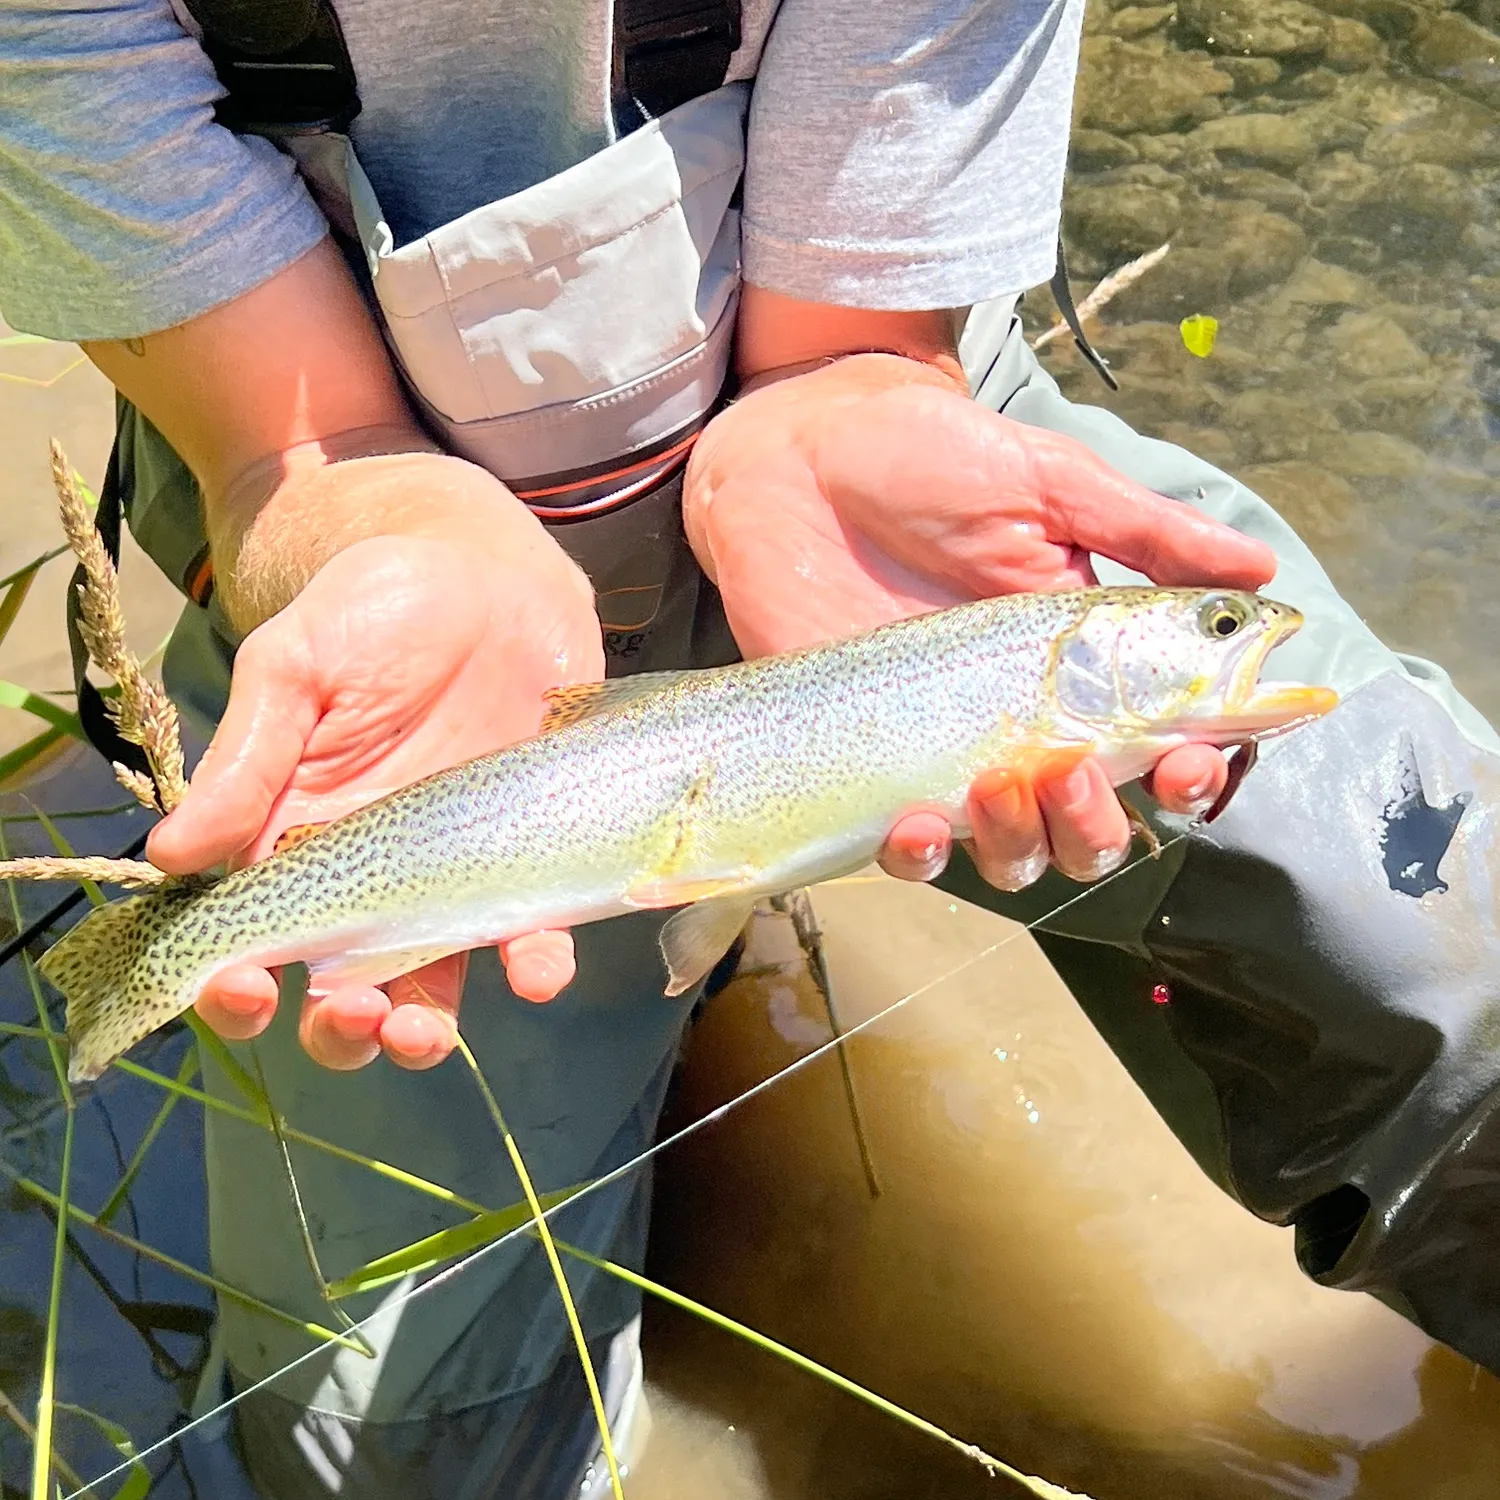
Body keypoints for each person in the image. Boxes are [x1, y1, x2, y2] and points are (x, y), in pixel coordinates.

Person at [3, 0, 1498, 1495]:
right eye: (1219, 641)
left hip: (882, 480)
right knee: (391, 1443)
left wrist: (854, 366)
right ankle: (170, 967)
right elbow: (272, 416)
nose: (1246, 642)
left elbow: (866, 277)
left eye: (1217, 639)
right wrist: (334, 503)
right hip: (354, 516)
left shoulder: (1037, 640)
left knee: (1445, 949)